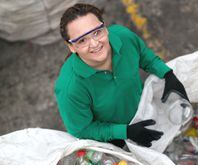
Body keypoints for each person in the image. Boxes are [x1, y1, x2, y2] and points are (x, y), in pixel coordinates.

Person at [54, 3, 189, 148]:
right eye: (82, 40)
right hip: (110, 138)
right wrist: (124, 132)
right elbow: (82, 129)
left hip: (143, 111)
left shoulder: (123, 37)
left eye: (96, 32)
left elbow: (143, 55)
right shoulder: (70, 88)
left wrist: (167, 74)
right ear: (72, 47)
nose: (94, 43)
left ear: (105, 28)